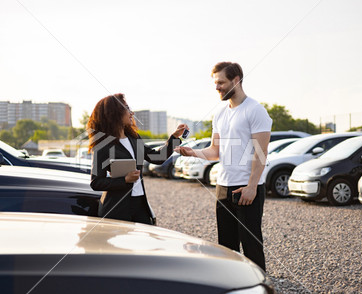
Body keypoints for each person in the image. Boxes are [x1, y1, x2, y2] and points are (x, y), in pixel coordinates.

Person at [176, 62, 272, 271]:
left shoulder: (256, 110)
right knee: (226, 247)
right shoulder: (219, 113)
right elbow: (214, 151)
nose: (216, 87)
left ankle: (260, 291)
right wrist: (193, 153)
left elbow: (260, 153)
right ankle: (233, 287)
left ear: (236, 80)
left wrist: (251, 187)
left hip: (246, 188)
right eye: (215, 83)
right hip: (223, 187)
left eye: (221, 82)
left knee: (251, 245)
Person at [88, 93, 187, 225]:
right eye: (127, 108)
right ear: (115, 113)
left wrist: (174, 137)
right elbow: (96, 182)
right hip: (116, 210)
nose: (132, 113)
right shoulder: (102, 146)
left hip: (140, 204)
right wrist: (124, 180)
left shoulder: (134, 138)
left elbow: (157, 157)